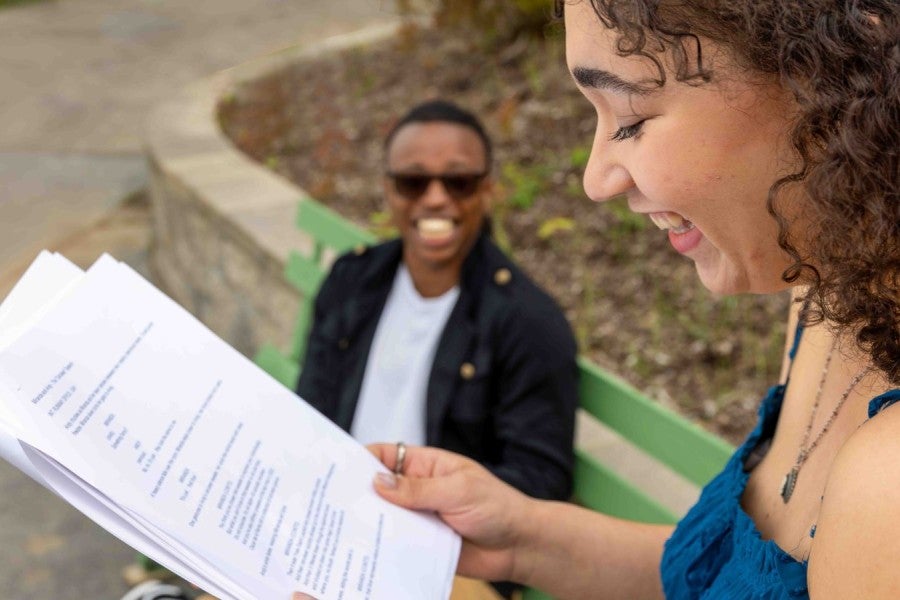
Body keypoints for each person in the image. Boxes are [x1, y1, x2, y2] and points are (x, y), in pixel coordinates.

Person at [324, 1, 897, 599]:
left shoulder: (890, 487)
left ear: (831, 76)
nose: (595, 180)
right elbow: (719, 579)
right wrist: (522, 537)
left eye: (629, 116)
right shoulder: (821, 288)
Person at [295, 99, 579, 502]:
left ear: (487, 190)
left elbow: (540, 481)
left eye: (458, 182)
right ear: (389, 189)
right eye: (413, 182)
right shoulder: (351, 280)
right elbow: (311, 408)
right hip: (329, 499)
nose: (434, 199)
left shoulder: (526, 321)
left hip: (435, 532)